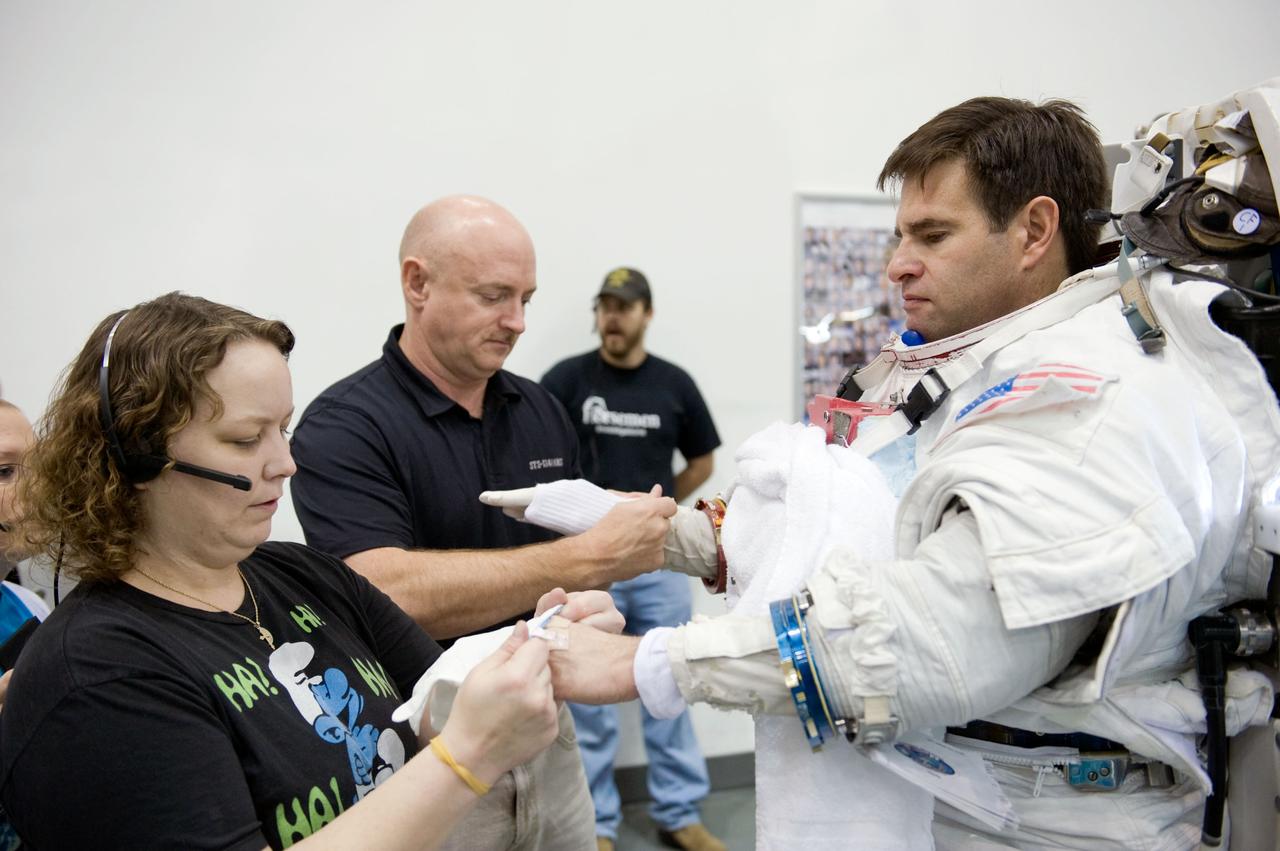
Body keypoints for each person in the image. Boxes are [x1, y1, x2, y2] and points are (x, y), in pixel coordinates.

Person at [538, 96, 1277, 850]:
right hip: (933, 796)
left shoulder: (1092, 397)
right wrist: (666, 533)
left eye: (931, 234)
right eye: (901, 236)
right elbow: (851, 530)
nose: (897, 264)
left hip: (1046, 826)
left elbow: (929, 642)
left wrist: (650, 661)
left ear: (1034, 230)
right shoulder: (965, 373)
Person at [0, 293, 594, 850]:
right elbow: (456, 742)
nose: (284, 464)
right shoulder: (100, 673)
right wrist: (467, 758)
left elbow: (436, 697)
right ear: (136, 455)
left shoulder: (305, 576)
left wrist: (533, 644)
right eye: (244, 439)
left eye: (280, 429)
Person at [289, 195, 676, 845]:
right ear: (417, 283)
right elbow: (386, 590)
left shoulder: (542, 410)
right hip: (430, 746)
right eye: (495, 295)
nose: (518, 320)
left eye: (526, 296)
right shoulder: (345, 426)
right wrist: (589, 559)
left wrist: (589, 602)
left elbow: (572, 553)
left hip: (548, 729)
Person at [542, 268, 724, 851]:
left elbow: (703, 460)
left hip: (657, 562)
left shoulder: (673, 383)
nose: (612, 316)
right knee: (589, 702)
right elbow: (537, 456)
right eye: (604, 306)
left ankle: (678, 812)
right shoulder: (566, 380)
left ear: (646, 313)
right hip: (585, 562)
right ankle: (595, 826)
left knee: (673, 675)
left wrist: (656, 503)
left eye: (624, 307)